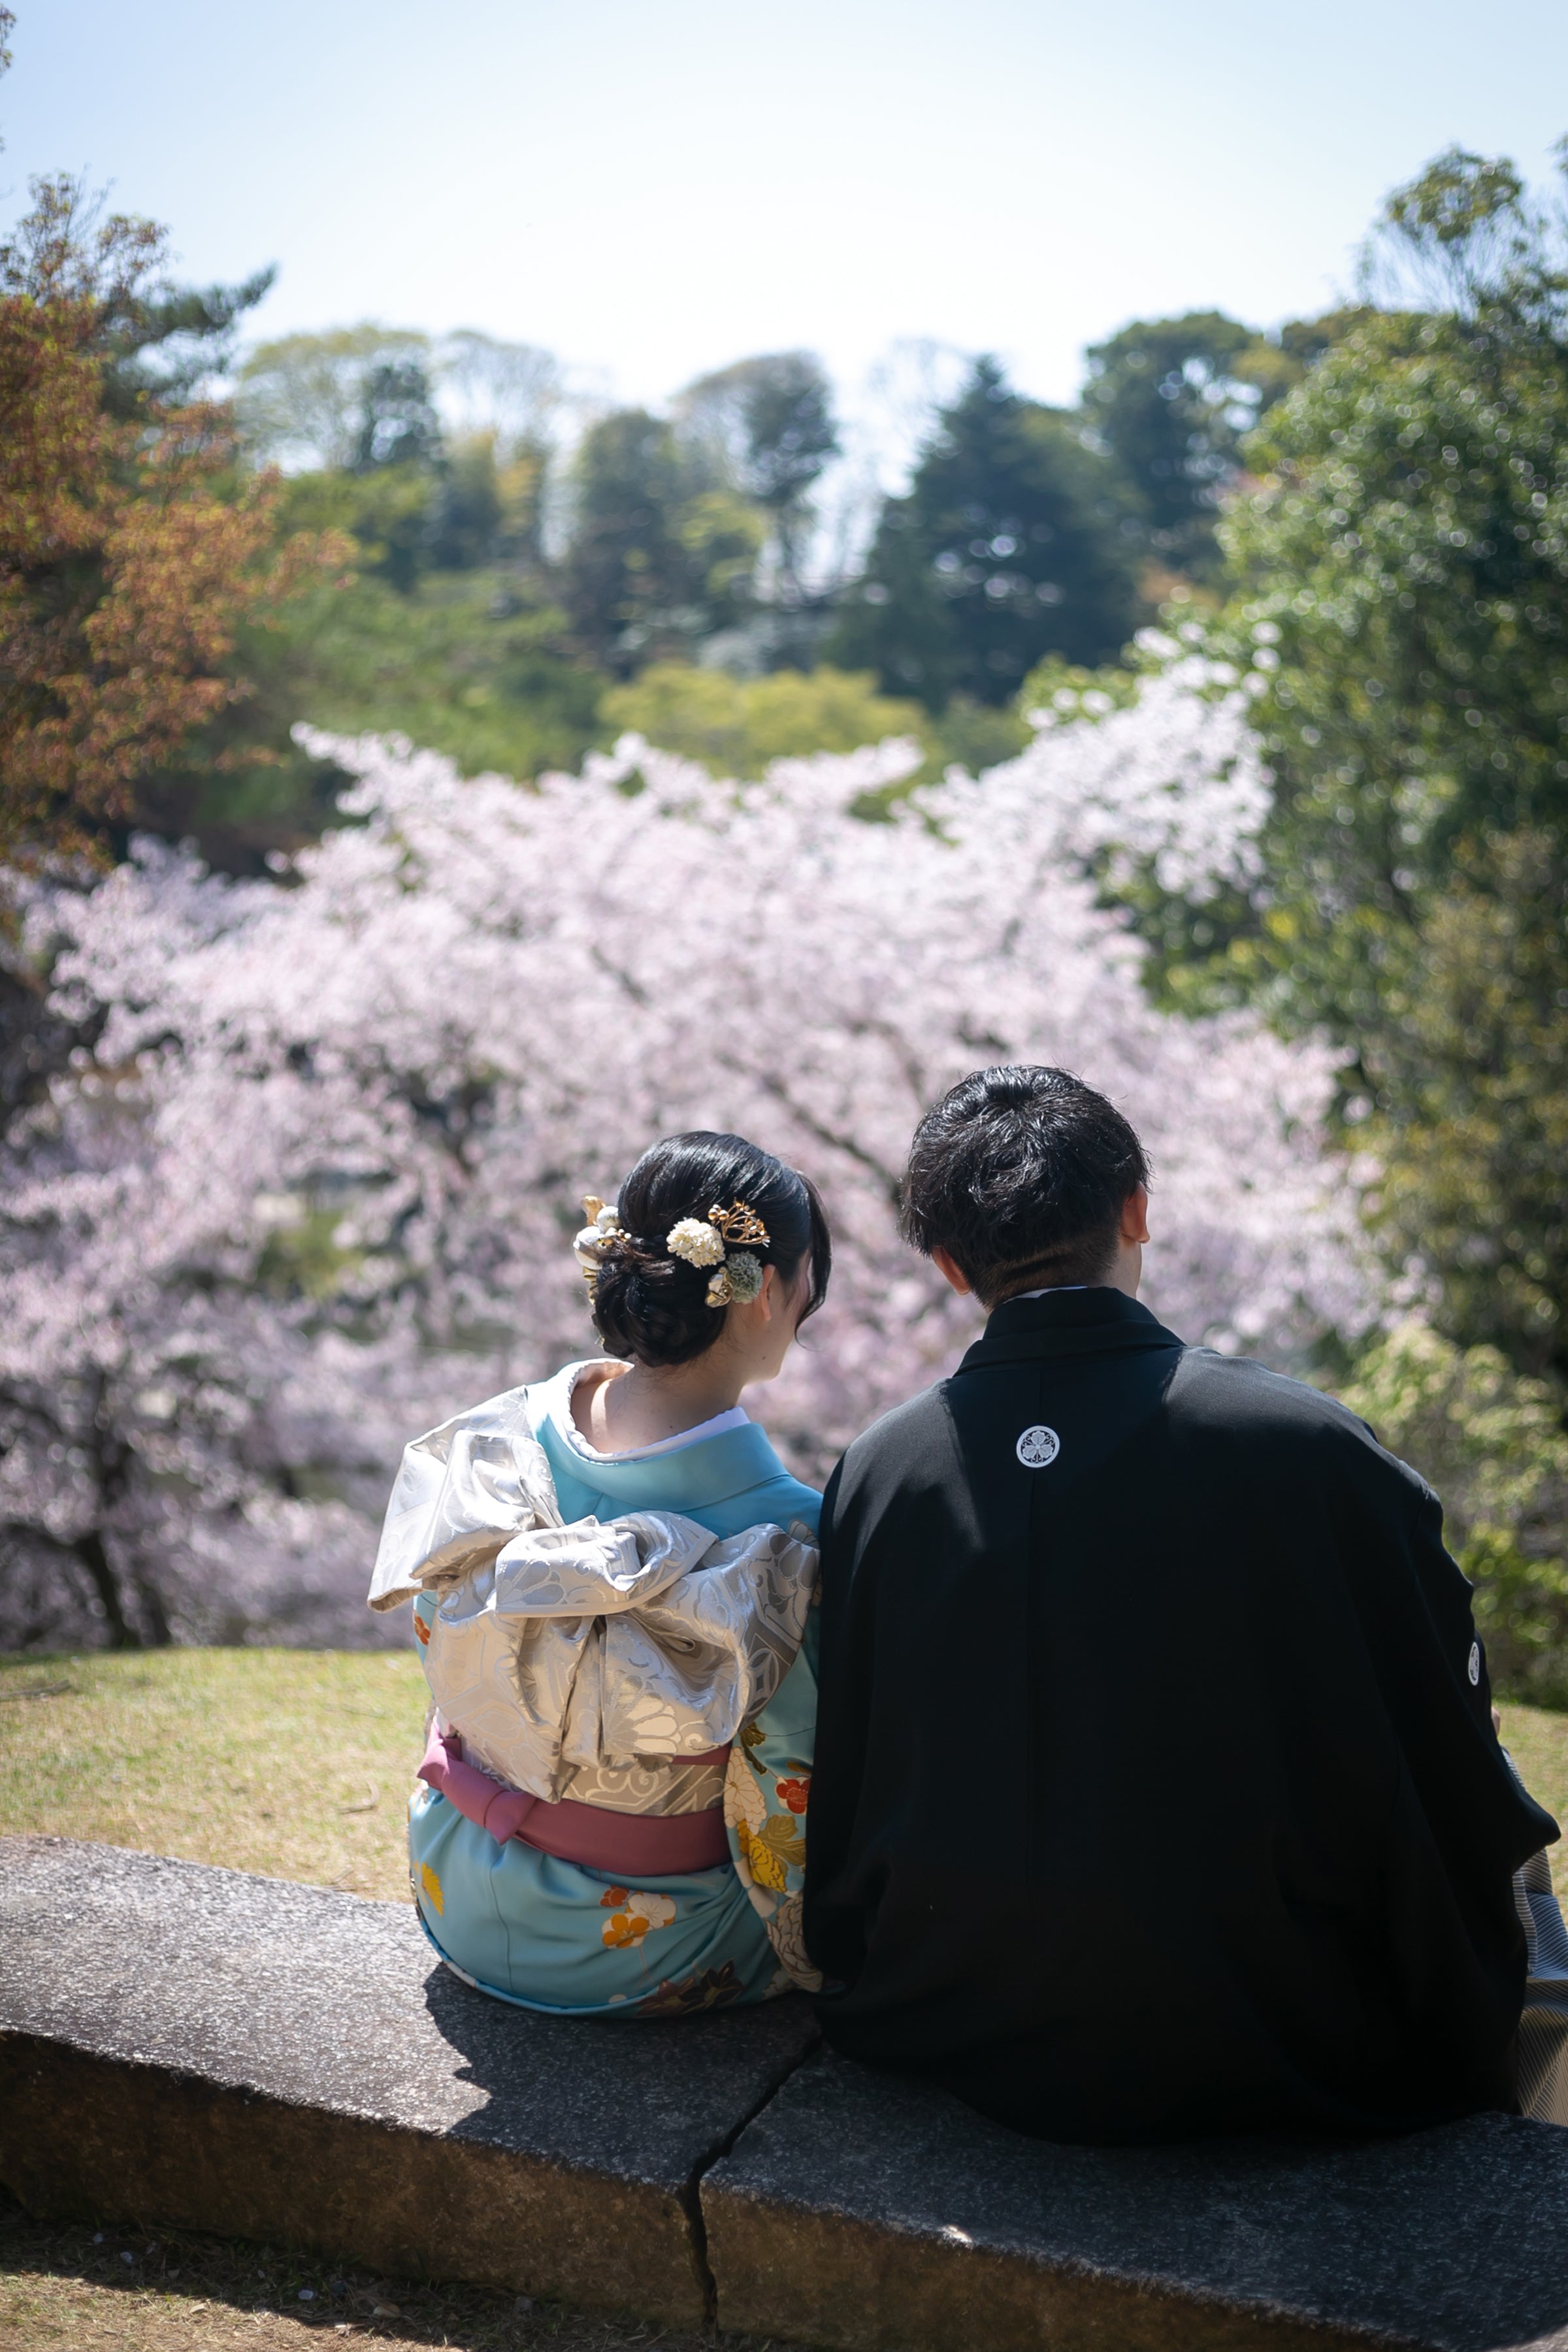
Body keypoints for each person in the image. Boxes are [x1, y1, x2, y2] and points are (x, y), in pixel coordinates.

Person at [803, 1064, 1563, 2141]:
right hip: (1285, 2026)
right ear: (1136, 1210)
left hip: (952, 2008)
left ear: (945, 1262)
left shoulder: (879, 1469)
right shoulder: (1303, 1442)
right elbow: (1442, 1734)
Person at [367, 1132, 830, 2017]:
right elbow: (789, 1790)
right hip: (652, 1944)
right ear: (766, 1291)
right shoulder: (789, 1535)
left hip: (455, 1875)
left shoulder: (499, 1440)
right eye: (808, 1277)